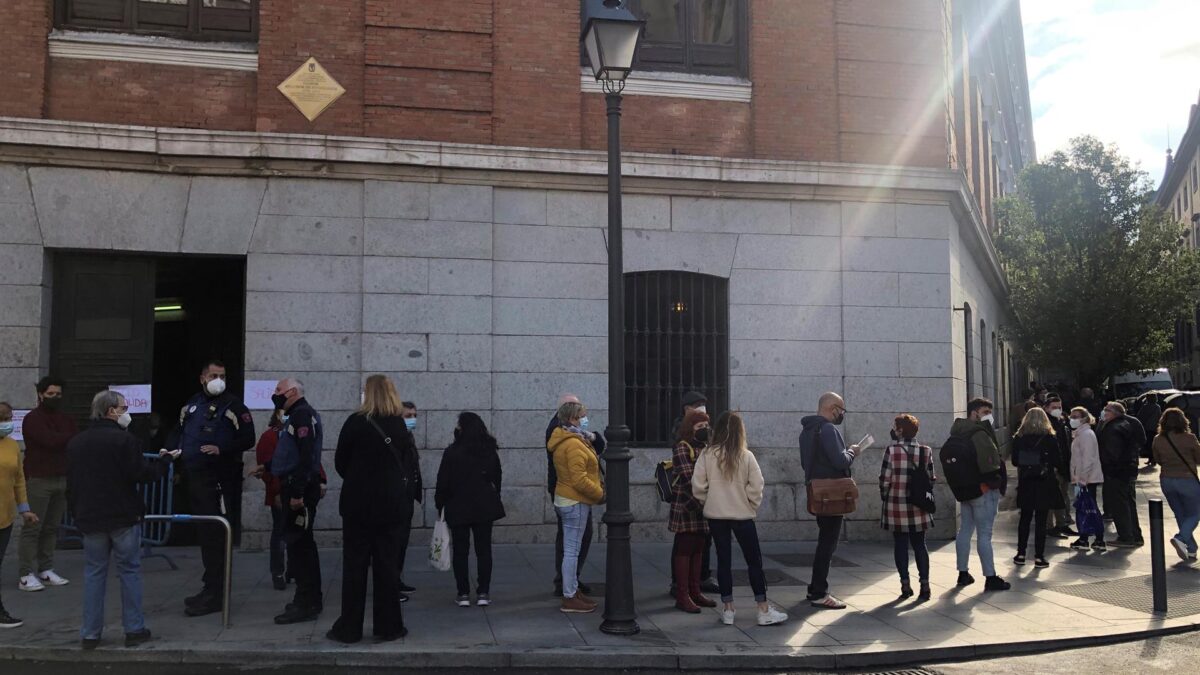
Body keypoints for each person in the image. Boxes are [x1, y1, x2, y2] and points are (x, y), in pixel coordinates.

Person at [66, 390, 178, 649]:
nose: (127, 412)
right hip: (122, 516)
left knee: (94, 573)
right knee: (130, 571)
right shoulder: (124, 441)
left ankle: (90, 634)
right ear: (111, 411)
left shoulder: (77, 442)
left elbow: (71, 484)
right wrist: (164, 462)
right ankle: (134, 629)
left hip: (90, 516)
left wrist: (76, 512)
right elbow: (141, 474)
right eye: (123, 407)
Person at [327, 375, 418, 643]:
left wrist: (358, 478)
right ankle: (389, 626)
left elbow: (340, 461)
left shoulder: (356, 422)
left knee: (354, 567)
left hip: (357, 504)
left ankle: (349, 628)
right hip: (390, 505)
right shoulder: (400, 426)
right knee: (387, 566)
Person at [165, 360, 256, 617]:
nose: (219, 379)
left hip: (219, 480)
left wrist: (221, 449)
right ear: (202, 378)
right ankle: (210, 587)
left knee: (217, 536)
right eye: (214, 375)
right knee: (205, 536)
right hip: (195, 479)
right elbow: (178, 431)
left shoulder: (234, 406)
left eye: (223, 375)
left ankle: (217, 594)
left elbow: (248, 438)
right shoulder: (192, 405)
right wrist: (168, 449)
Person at [692, 411, 787, 626]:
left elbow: (697, 485)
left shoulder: (707, 454)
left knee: (723, 561)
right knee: (754, 561)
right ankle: (763, 609)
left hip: (716, 516)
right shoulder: (746, 456)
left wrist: (709, 501)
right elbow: (757, 485)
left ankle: (728, 610)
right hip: (742, 516)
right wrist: (749, 503)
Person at [252, 410, 330, 593]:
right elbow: (268, 468)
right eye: (283, 413)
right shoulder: (269, 437)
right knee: (280, 532)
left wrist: (322, 480)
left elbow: (311, 459)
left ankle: (294, 570)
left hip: (300, 490)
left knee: (299, 532)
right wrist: (276, 491)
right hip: (281, 492)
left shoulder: (301, 432)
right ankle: (278, 572)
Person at [435, 412, 505, 608]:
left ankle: (463, 593)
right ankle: (483, 592)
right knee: (484, 551)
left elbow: (443, 481)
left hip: (458, 506)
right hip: (484, 506)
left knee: (460, 551)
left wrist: (439, 504)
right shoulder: (489, 450)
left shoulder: (452, 452)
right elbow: (497, 477)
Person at [269, 378, 325, 624]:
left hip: (298, 487)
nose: (275, 394)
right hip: (293, 484)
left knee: (300, 547)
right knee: (300, 544)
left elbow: (305, 455)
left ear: (292, 392)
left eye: (279, 390)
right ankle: (308, 598)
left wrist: (297, 493)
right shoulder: (296, 415)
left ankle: (307, 601)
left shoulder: (302, 415)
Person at [799, 392, 859, 609]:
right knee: (828, 544)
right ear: (832, 408)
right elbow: (839, 460)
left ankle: (815, 588)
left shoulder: (807, 431)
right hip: (832, 494)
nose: (841, 415)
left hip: (817, 492)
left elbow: (806, 463)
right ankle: (819, 592)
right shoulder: (827, 429)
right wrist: (852, 452)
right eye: (841, 411)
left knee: (824, 540)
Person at [17, 376, 76, 592]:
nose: (55, 397)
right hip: (38, 479)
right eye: (51, 394)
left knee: (51, 527)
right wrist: (65, 438)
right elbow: (49, 441)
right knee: (33, 527)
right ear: (41, 394)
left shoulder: (65, 418)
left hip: (61, 477)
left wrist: (63, 438)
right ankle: (25, 573)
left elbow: (70, 439)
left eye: (58, 394)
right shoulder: (32, 419)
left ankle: (46, 568)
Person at [948, 398, 1011, 591]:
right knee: (985, 534)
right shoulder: (979, 433)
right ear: (974, 413)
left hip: (966, 490)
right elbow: (990, 463)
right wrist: (997, 480)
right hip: (983, 490)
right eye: (985, 411)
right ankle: (990, 576)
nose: (988, 416)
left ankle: (963, 573)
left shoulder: (957, 431)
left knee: (965, 530)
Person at [548, 401, 604, 614]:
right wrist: (600, 495)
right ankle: (569, 596)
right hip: (574, 500)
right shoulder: (572, 443)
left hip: (567, 498)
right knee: (571, 551)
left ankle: (571, 590)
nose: (585, 419)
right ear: (572, 418)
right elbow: (579, 479)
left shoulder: (569, 438)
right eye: (582, 415)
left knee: (571, 549)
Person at [879, 414, 935, 601]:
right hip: (919, 505)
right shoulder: (925, 451)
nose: (893, 429)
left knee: (900, 544)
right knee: (920, 544)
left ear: (901, 430)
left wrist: (885, 496)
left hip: (897, 504)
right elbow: (931, 478)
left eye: (895, 426)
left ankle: (905, 585)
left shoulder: (892, 450)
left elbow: (885, 478)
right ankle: (925, 585)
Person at [668, 390, 718, 596]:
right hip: (689, 502)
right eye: (697, 406)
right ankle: (680, 588)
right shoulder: (682, 441)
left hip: (704, 502)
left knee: (701, 544)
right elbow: (690, 478)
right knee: (684, 545)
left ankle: (697, 585)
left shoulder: (705, 443)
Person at [1, 402, 39, 628]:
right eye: (3, 417)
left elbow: (18, 479)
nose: (6, 422)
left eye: (8, 417)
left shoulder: (12, 445)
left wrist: (24, 509)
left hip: (4, 517)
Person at [1012, 408, 1065, 568]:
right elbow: (1057, 460)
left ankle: (1021, 554)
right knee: (1041, 521)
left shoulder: (1019, 438)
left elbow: (1015, 461)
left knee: (1025, 519)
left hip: (1026, 481)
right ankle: (1039, 556)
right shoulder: (1049, 438)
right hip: (1044, 481)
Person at [1151, 408, 1200, 561]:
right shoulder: (1189, 438)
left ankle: (1191, 548)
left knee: (1180, 513)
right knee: (1195, 513)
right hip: (1187, 479)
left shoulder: (1158, 439)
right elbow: (1199, 458)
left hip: (1166, 479)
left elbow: (1157, 459)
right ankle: (1181, 537)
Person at [1097, 401, 1146, 547]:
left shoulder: (1113, 428)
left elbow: (1112, 453)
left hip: (1117, 472)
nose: (1104, 412)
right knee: (1129, 503)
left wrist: (1107, 466)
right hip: (1129, 469)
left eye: (1106, 410)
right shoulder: (1129, 423)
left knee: (1120, 504)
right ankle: (1135, 535)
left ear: (1113, 413)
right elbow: (1140, 441)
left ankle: (1126, 536)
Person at [1068, 407, 1105, 551]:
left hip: (1086, 479)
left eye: (1076, 416)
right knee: (1085, 508)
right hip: (1083, 478)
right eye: (1072, 416)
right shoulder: (1080, 434)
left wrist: (1082, 480)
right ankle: (1084, 537)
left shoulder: (1086, 435)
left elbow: (1088, 459)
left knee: (1090, 509)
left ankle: (1098, 538)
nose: (1072, 419)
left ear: (1084, 418)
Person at [397, 401, 422, 598]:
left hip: (406, 497)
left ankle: (396, 580)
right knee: (393, 544)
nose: (412, 419)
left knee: (402, 542)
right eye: (408, 415)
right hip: (396, 498)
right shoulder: (396, 439)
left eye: (414, 415)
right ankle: (391, 585)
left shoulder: (408, 437)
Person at [1043, 396, 1076, 538]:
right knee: (1051, 498)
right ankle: (1050, 526)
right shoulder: (1045, 423)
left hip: (1064, 464)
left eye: (1059, 407)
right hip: (1053, 466)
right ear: (1046, 408)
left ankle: (1063, 523)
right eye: (1054, 407)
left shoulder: (1062, 422)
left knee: (1063, 496)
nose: (1057, 410)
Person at [1137, 395, 1163, 468]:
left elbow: (1140, 416)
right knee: (1153, 444)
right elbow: (1159, 417)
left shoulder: (1145, 407)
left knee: (1148, 444)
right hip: (1155, 428)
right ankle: (1153, 458)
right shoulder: (1157, 407)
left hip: (1147, 428)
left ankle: (1150, 458)